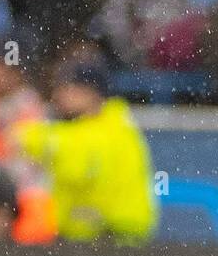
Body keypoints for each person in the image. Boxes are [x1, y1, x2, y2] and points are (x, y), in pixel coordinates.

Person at [11, 51, 158, 244]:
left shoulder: (111, 129)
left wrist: (25, 138)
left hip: (113, 238)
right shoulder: (110, 124)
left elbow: (77, 164)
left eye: (69, 89)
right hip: (96, 238)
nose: (60, 96)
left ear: (92, 93)